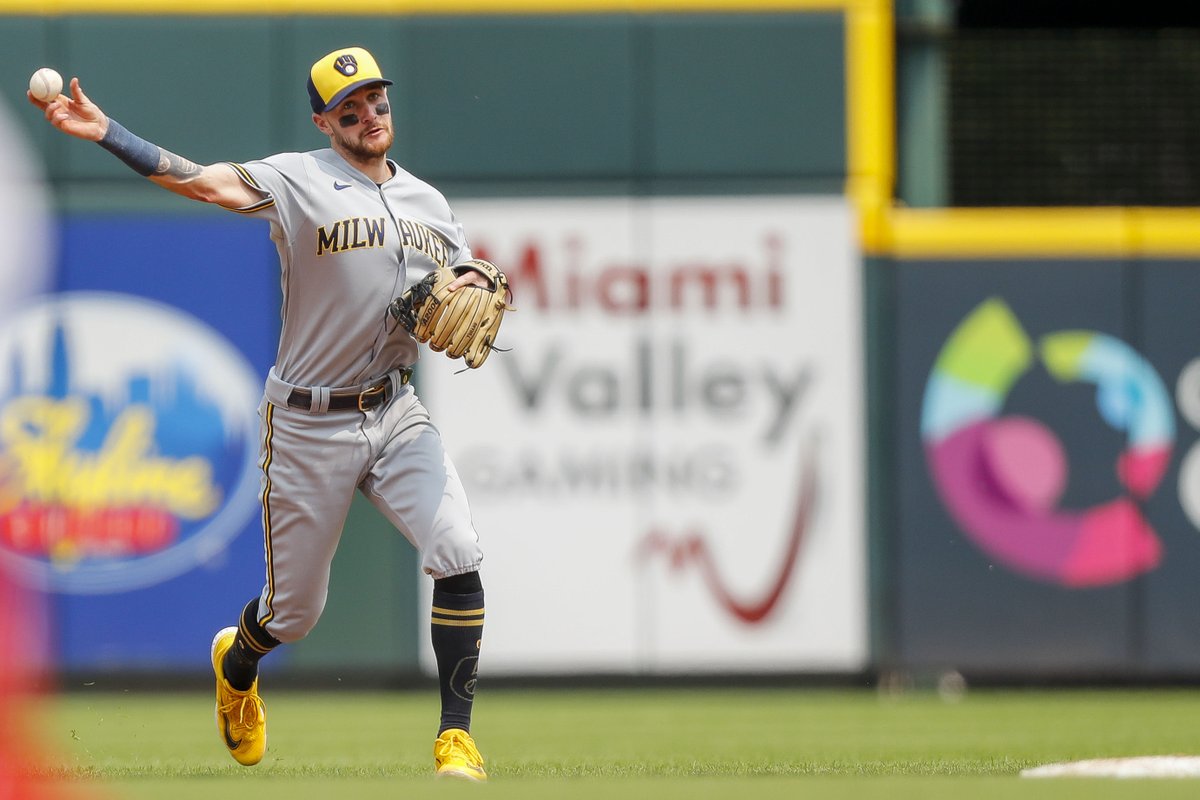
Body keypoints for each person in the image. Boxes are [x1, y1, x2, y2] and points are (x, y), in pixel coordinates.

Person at [30, 46, 492, 782]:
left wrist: (469, 275)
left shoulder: (428, 203)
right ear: (323, 120)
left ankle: (456, 740)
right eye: (350, 108)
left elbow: (467, 269)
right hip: (309, 421)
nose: (368, 115)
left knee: (458, 550)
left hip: (395, 409)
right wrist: (107, 130)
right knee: (294, 614)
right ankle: (239, 662)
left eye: (376, 100)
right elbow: (205, 183)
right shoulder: (298, 178)